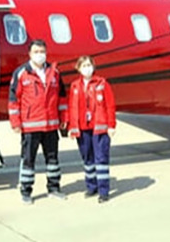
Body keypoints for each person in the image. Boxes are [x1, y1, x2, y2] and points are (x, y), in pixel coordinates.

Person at [8, 39, 69, 204]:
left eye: (42, 51)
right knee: (28, 160)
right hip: (31, 126)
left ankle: (54, 188)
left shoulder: (54, 72)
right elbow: (14, 100)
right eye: (36, 52)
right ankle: (26, 191)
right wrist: (16, 122)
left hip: (51, 125)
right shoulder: (21, 73)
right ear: (29, 54)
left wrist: (63, 119)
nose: (40, 55)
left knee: (53, 159)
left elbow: (62, 98)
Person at [67, 55, 116, 203]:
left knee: (101, 159)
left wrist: (111, 125)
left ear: (93, 67)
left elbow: (110, 105)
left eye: (89, 65)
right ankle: (91, 187)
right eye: (84, 66)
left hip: (99, 128)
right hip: (82, 128)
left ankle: (103, 191)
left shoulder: (102, 83)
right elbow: (71, 107)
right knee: (87, 158)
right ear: (78, 68)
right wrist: (71, 127)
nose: (87, 68)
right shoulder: (75, 86)